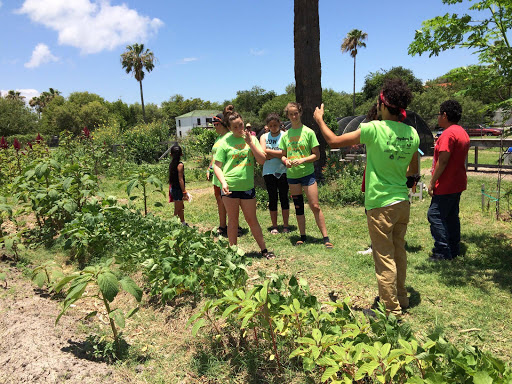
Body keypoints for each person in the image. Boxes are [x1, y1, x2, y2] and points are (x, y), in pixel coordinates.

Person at [314, 78, 420, 317]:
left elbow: (333, 141)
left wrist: (320, 120)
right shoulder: (412, 132)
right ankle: (401, 298)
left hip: (380, 204)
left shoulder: (374, 128)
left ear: (383, 104)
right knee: (398, 252)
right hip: (402, 203)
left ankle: (390, 310)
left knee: (384, 257)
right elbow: (413, 169)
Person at [213, 106, 275, 259]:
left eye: (240, 125)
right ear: (229, 128)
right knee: (232, 221)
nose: (239, 128)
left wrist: (250, 144)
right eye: (235, 127)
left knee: (252, 219)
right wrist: (223, 182)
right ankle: (233, 253)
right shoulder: (224, 142)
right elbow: (217, 166)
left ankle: (264, 250)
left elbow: (261, 160)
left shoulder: (251, 138)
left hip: (247, 187)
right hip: (230, 188)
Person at [279, 102, 332, 248]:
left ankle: (326, 238)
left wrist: (303, 159)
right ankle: (302, 236)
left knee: (315, 206)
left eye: (296, 113)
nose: (294, 116)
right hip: (292, 176)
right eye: (291, 114)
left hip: (307, 175)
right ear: (287, 116)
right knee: (298, 207)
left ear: (300, 113)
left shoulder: (308, 132)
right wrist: (286, 161)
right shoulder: (285, 136)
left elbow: (317, 155)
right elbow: (283, 156)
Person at [427, 100, 470, 261]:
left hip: (446, 183)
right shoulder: (462, 132)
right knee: (451, 216)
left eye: (439, 114)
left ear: (445, 115)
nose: (438, 117)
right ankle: (454, 247)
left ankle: (442, 251)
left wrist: (432, 182)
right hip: (458, 182)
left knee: (435, 215)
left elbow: (443, 160)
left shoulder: (447, 134)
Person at [260, 113, 290, 234]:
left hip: (283, 171)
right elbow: (263, 154)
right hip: (268, 172)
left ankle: (286, 225)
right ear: (267, 126)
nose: (273, 127)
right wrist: (279, 153)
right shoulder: (263, 137)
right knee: (272, 198)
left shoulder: (285, 135)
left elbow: (286, 152)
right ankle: (274, 226)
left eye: (275, 125)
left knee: (284, 198)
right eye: (271, 125)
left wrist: (268, 151)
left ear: (279, 124)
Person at [207, 113, 229, 236]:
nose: (215, 127)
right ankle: (222, 225)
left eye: (217, 124)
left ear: (223, 124)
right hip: (216, 176)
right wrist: (209, 167)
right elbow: (215, 156)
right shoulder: (218, 138)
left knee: (228, 202)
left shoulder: (229, 137)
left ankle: (234, 225)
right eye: (213, 124)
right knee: (219, 202)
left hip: (225, 175)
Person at [169, 144, 189, 226]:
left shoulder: (172, 164)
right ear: (181, 154)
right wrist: (184, 191)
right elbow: (180, 179)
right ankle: (175, 223)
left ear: (171, 155)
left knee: (180, 207)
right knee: (179, 208)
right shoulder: (180, 165)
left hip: (173, 188)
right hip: (178, 189)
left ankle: (182, 222)